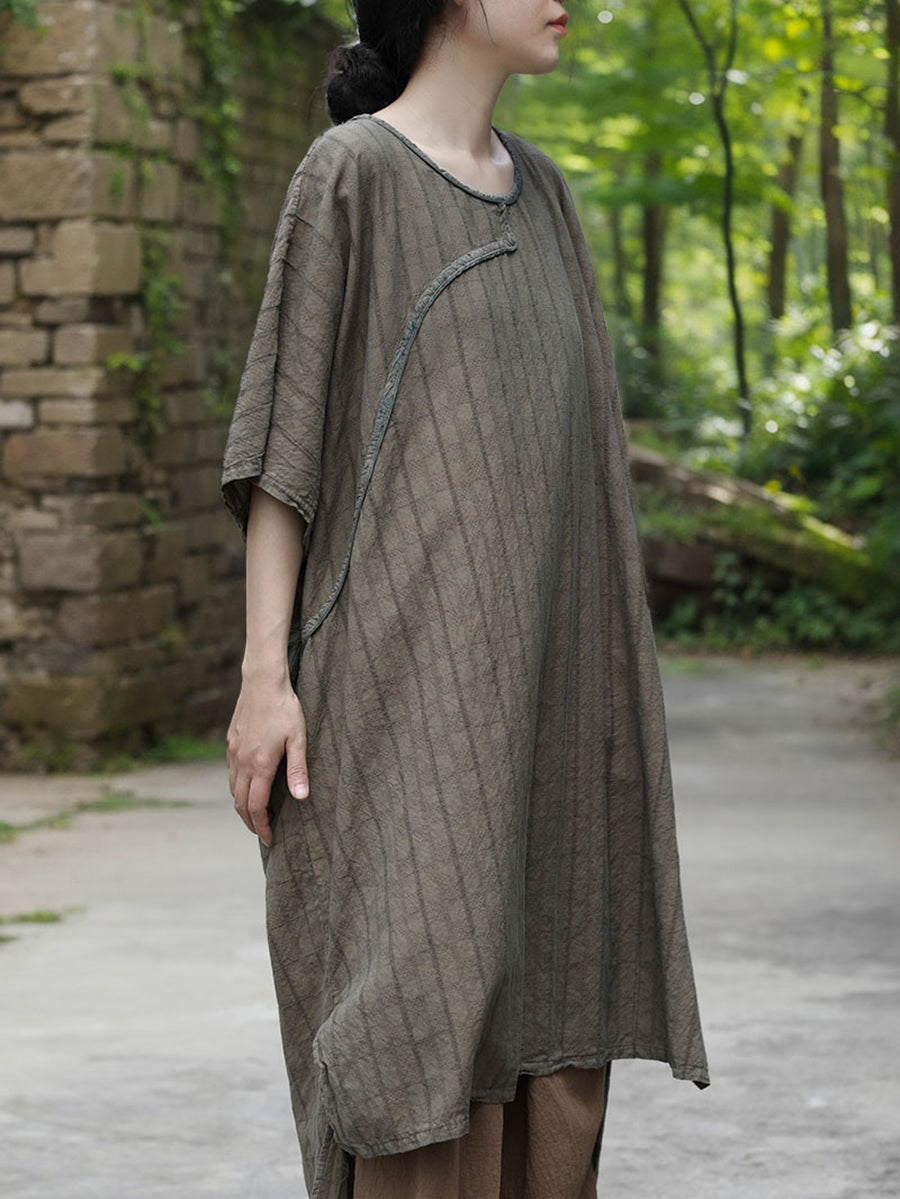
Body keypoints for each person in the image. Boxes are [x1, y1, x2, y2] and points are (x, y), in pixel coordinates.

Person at [221, 1, 711, 1196]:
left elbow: (581, 481)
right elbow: (285, 448)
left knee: (556, 984)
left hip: (551, 701)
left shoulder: (549, 200)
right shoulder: (351, 176)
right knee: (416, 1012)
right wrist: (264, 676)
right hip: (398, 709)